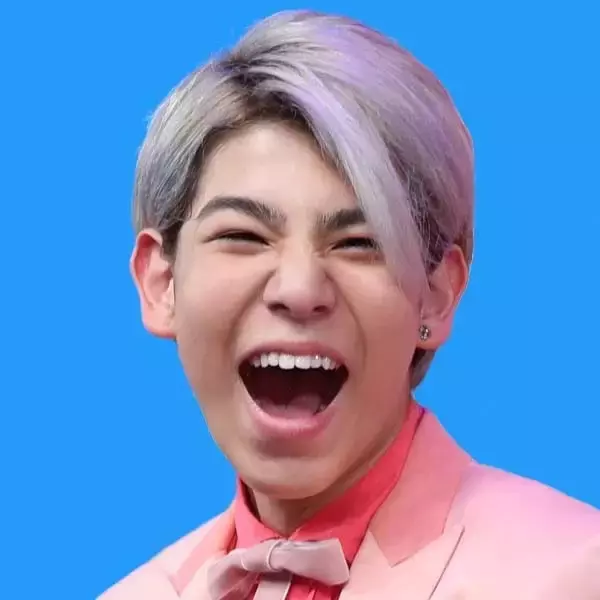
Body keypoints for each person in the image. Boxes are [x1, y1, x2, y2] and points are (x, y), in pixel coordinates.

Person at [100, 10, 600, 599]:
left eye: (359, 242)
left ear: (437, 295)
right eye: (244, 235)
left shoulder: (573, 571)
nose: (299, 289)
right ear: (162, 282)